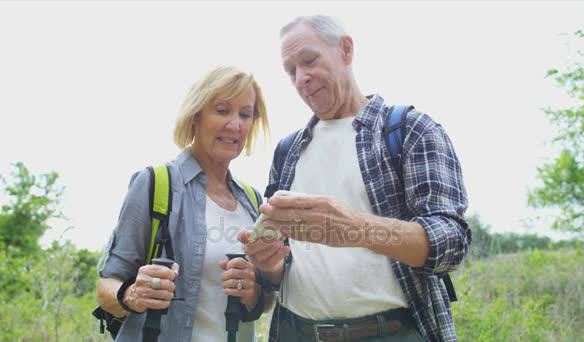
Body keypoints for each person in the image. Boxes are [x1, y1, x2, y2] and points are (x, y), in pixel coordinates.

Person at [241, 15, 471, 341]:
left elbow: (452, 243)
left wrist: (358, 228)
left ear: (346, 51)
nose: (301, 78)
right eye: (291, 71)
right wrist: (267, 262)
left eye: (309, 61)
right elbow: (280, 271)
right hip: (296, 332)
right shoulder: (287, 150)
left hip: (393, 332)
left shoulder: (411, 130)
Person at [96, 65, 274, 341]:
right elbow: (106, 285)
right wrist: (133, 294)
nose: (235, 125)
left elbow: (264, 300)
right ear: (196, 115)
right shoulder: (155, 183)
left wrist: (253, 293)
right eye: (222, 110)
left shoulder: (252, 201)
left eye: (245, 114)